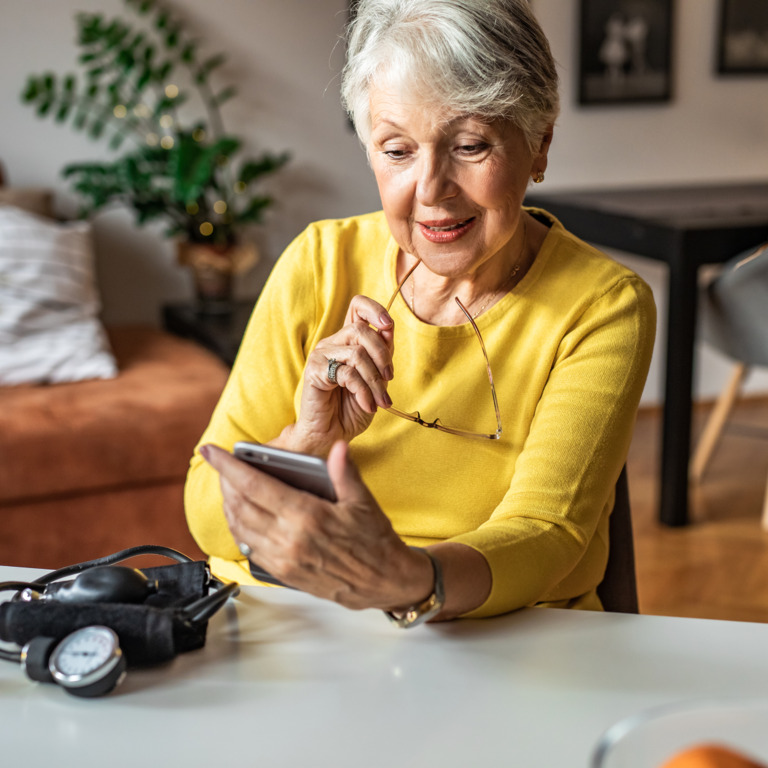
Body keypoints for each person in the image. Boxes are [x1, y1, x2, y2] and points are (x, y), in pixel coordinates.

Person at [184, 0, 656, 625]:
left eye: (469, 144)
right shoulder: (319, 262)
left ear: (538, 145)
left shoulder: (601, 306)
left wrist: (408, 580)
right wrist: (305, 446)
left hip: (498, 641)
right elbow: (206, 510)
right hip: (290, 628)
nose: (431, 189)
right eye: (398, 150)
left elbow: (548, 536)